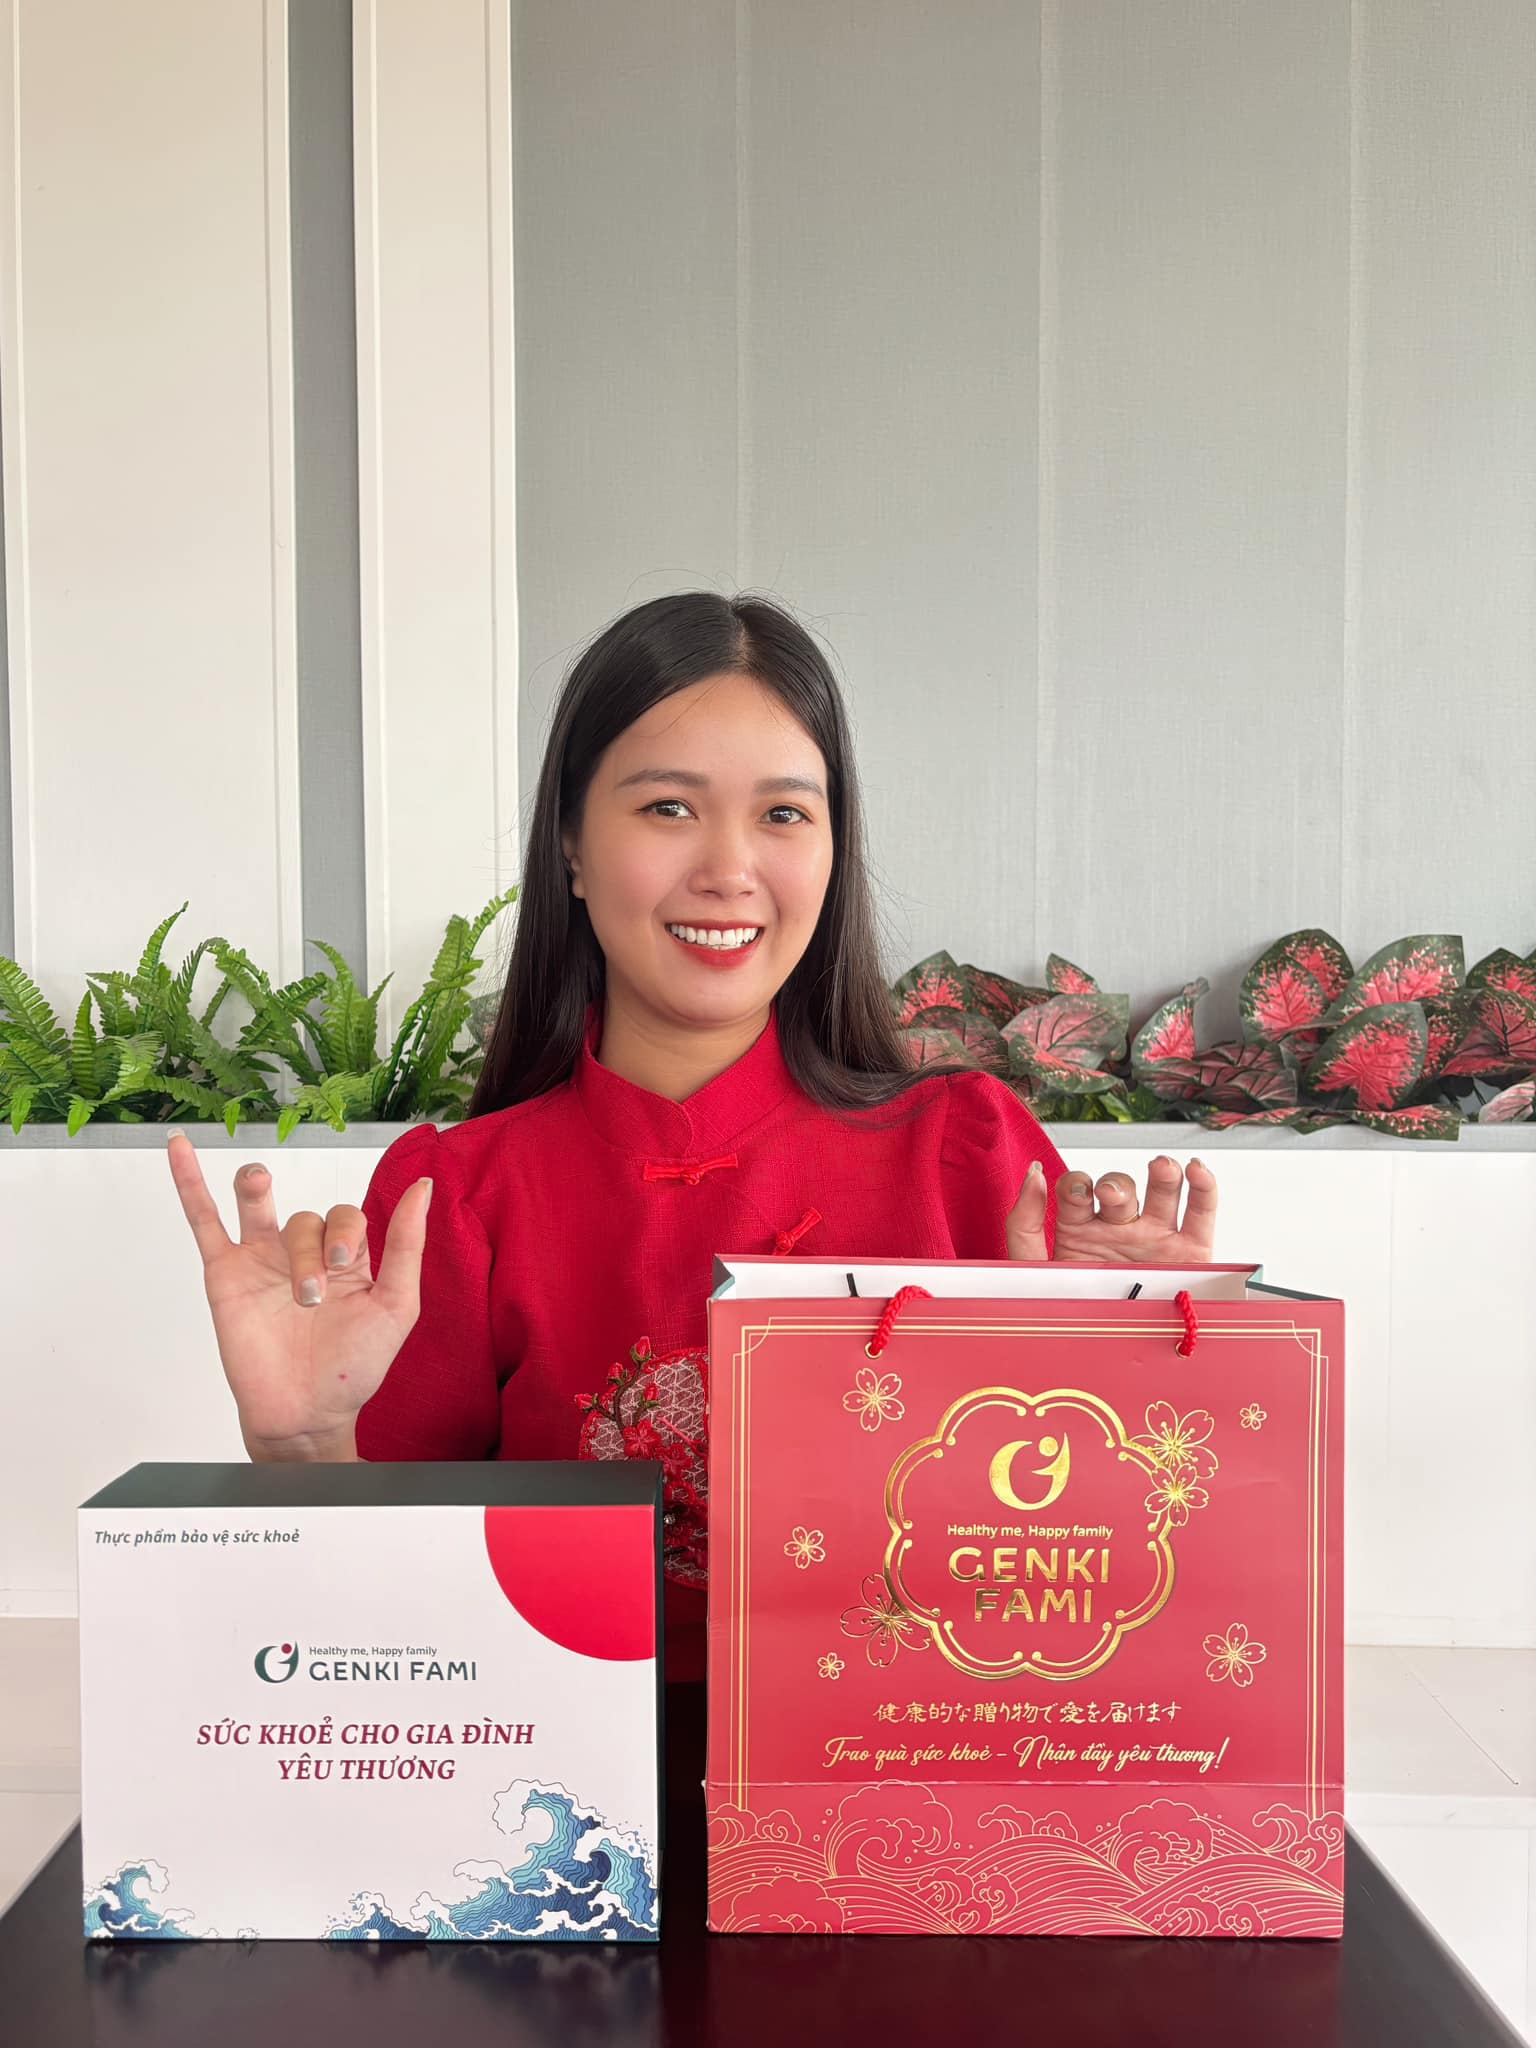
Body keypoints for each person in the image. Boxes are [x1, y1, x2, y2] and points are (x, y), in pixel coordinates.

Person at [167, 591, 1217, 1683]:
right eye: (669, 807)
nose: (728, 868)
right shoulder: (456, 1197)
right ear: (571, 847)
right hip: (565, 1767)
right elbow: (392, 1648)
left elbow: (1111, 1584)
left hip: (918, 1766)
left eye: (784, 814)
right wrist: (304, 1448)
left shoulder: (967, 1154)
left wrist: (1162, 1374)